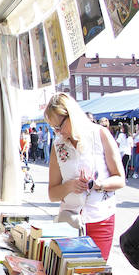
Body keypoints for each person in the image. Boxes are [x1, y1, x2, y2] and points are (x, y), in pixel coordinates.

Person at [45, 93, 125, 259]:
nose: (59, 133)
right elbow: (52, 194)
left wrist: (98, 184)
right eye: (54, 129)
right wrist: (70, 186)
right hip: (70, 221)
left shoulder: (100, 134)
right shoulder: (58, 146)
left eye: (59, 126)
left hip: (100, 218)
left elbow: (120, 179)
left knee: (95, 274)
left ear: (71, 115)